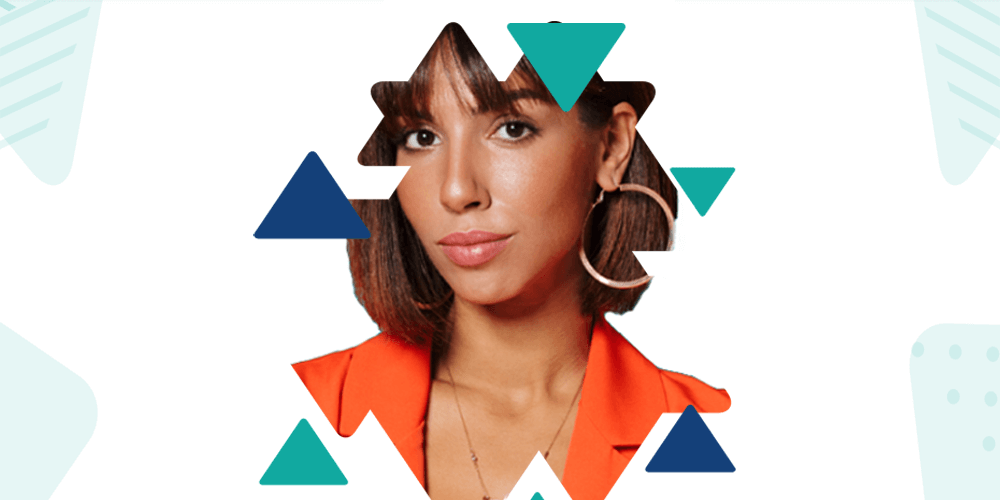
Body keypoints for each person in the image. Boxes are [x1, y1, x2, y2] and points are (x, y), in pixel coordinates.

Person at [293, 23, 730, 500]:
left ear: (611, 147)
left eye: (512, 129)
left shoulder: (716, 434)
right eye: (421, 137)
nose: (456, 190)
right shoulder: (302, 409)